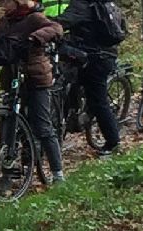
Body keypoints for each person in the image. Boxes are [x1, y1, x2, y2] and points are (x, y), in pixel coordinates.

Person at [0, 0, 65, 179]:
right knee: (10, 122)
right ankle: (8, 172)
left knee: (42, 126)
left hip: (35, 76)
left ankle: (58, 173)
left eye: (7, 1)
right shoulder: (5, 21)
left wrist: (36, 38)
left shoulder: (34, 18)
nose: (4, 5)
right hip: (12, 76)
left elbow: (56, 28)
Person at [55, 0, 127, 156]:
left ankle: (113, 143)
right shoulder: (105, 3)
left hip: (94, 58)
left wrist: (41, 26)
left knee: (97, 100)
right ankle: (73, 120)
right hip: (104, 54)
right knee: (71, 84)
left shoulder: (81, 5)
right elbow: (123, 27)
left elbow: (62, 22)